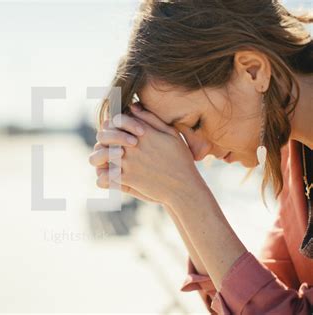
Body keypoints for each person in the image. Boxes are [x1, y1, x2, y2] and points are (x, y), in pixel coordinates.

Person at [88, 1, 313, 314]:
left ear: (253, 70)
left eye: (195, 123)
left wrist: (186, 194)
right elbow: (256, 296)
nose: (194, 154)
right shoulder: (296, 157)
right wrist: (170, 194)